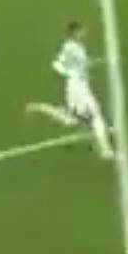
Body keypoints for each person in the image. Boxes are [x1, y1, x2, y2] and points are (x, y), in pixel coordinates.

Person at [24, 21, 114, 159]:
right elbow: (61, 65)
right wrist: (68, 71)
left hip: (78, 87)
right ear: (75, 32)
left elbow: (73, 64)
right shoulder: (71, 48)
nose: (85, 33)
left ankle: (38, 107)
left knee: (72, 119)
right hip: (78, 88)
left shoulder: (76, 47)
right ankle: (105, 150)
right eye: (82, 30)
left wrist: (99, 62)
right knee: (94, 116)